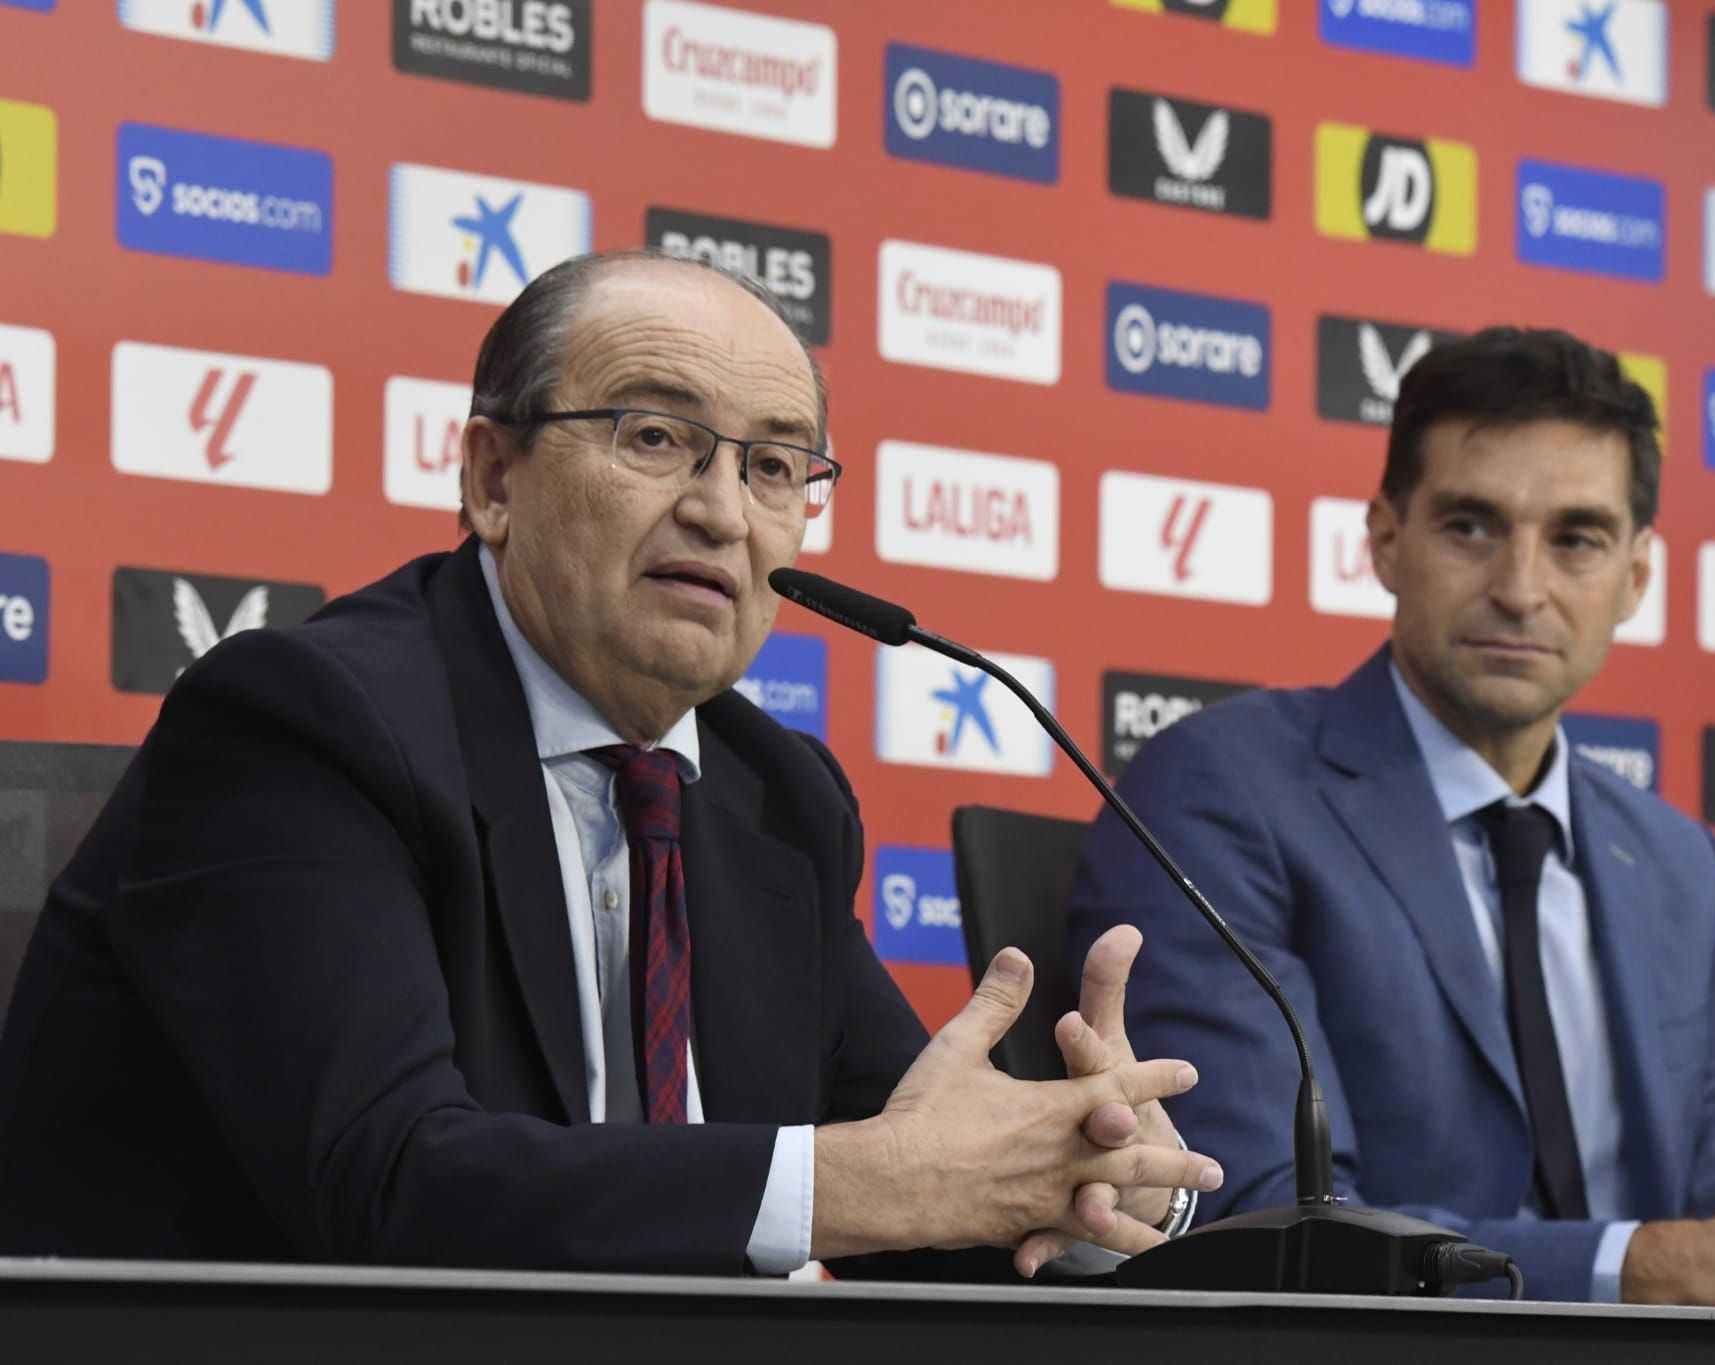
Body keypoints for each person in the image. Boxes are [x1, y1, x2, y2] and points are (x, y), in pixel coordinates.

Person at [0, 249, 1218, 1279]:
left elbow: (923, 1181)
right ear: (491, 477)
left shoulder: (773, 795)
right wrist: (863, 1182)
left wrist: (1095, 1178)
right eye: (655, 437)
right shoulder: (306, 722)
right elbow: (385, 1186)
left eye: (774, 466)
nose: (723, 513)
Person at [1067, 327, 1715, 1307]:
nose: (1520, 589)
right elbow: (1266, 1216)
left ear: (1634, 576)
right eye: (1469, 527)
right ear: (1385, 539)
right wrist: (1659, 1267)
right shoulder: (1221, 789)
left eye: (1575, 539)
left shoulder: (1679, 865)